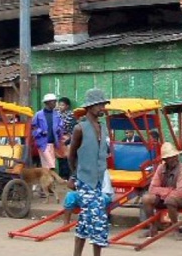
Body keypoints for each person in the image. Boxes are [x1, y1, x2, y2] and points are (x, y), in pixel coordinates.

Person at [68, 88, 111, 256]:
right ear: (90, 107)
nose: (102, 108)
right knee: (99, 220)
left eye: (103, 105)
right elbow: (71, 155)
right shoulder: (80, 128)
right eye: (99, 105)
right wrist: (74, 176)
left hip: (99, 182)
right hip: (85, 182)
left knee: (85, 222)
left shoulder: (103, 127)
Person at [141, 142, 182, 240]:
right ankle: (153, 227)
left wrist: (163, 192)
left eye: (175, 156)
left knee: (170, 200)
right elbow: (152, 188)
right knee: (146, 198)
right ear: (165, 160)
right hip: (165, 197)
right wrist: (169, 191)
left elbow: (181, 192)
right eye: (171, 157)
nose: (174, 159)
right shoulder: (160, 168)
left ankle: (175, 229)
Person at [32, 93, 64, 171]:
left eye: (55, 101)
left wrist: (59, 130)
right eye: (53, 102)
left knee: (46, 166)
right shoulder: (38, 115)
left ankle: (47, 178)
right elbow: (33, 127)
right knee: (51, 165)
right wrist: (41, 132)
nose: (55, 103)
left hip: (53, 143)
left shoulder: (57, 114)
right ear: (47, 102)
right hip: (43, 143)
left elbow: (61, 126)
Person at [58, 97, 75, 179]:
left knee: (66, 156)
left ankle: (67, 175)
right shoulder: (57, 114)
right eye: (59, 105)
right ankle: (61, 174)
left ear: (67, 106)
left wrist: (70, 137)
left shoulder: (71, 115)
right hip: (58, 137)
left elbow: (73, 127)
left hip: (66, 137)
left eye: (62, 105)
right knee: (60, 157)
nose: (60, 107)